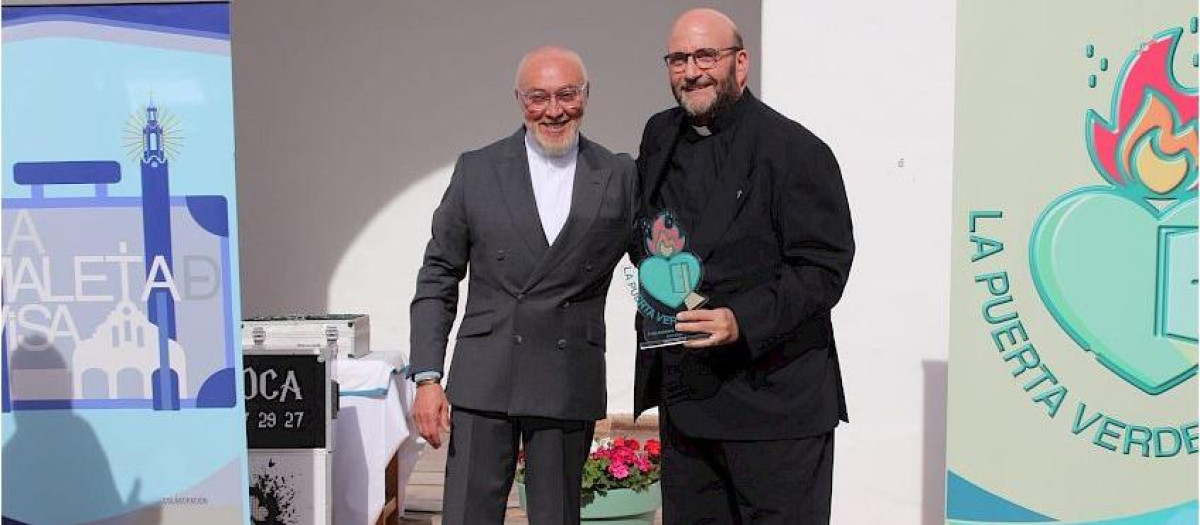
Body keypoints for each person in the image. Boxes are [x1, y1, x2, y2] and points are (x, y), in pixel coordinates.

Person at [632, 8, 855, 525]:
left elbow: (824, 266)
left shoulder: (796, 149)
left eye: (706, 56)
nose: (692, 71)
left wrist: (741, 319)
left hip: (776, 408)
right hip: (688, 402)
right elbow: (645, 233)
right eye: (679, 59)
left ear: (741, 62)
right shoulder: (658, 135)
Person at [408, 45, 636, 525]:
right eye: (539, 97)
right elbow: (439, 274)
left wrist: (696, 309)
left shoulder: (618, 174)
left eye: (566, 94)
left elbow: (653, 265)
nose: (553, 110)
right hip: (484, 377)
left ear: (587, 96)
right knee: (469, 516)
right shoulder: (477, 169)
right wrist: (427, 376)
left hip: (567, 373)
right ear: (518, 99)